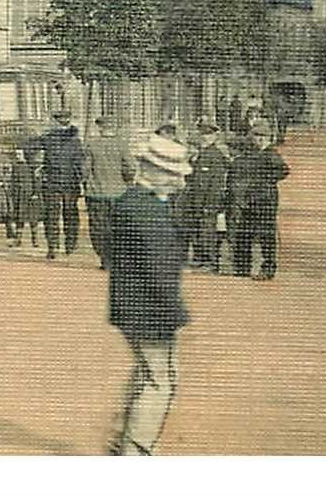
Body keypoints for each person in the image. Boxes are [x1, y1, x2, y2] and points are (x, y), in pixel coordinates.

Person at [106, 132, 194, 456]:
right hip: (150, 311)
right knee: (160, 383)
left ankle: (121, 441)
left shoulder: (131, 202)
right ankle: (136, 451)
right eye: (174, 176)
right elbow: (160, 271)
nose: (179, 184)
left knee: (145, 376)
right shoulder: (148, 211)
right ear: (154, 171)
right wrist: (176, 312)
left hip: (133, 308)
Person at [227, 121, 290, 280]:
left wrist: (265, 180)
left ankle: (268, 268)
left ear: (269, 139)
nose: (260, 140)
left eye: (264, 136)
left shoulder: (271, 154)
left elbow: (284, 171)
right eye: (257, 136)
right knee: (244, 234)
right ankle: (242, 268)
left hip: (265, 201)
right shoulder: (248, 155)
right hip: (248, 201)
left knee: (266, 235)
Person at [29, 107, 85, 260]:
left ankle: (59, 245)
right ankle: (65, 245)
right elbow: (80, 163)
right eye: (60, 123)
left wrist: (37, 165)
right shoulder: (73, 141)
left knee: (60, 214)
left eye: (61, 123)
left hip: (60, 182)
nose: (61, 126)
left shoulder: (51, 138)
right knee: (63, 214)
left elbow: (80, 163)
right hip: (62, 182)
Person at [83, 118, 134, 268]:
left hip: (96, 193)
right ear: (113, 127)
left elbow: (85, 170)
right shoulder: (121, 144)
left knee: (98, 226)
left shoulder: (91, 145)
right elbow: (131, 166)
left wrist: (86, 182)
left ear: (100, 128)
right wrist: (126, 180)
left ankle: (105, 258)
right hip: (118, 193)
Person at [184, 117, 232, 271]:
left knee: (208, 231)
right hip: (196, 199)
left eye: (208, 134)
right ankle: (200, 258)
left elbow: (217, 183)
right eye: (202, 133)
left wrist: (211, 204)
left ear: (214, 136)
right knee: (197, 229)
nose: (204, 137)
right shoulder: (199, 155)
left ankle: (211, 261)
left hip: (208, 200)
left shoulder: (215, 155)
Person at [9, 145, 45, 249]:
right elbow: (13, 181)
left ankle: (35, 240)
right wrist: (12, 194)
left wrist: (35, 193)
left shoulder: (32, 166)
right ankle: (18, 240)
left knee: (33, 219)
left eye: (19, 154)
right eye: (16, 154)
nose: (17, 156)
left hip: (30, 196)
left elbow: (37, 181)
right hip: (19, 196)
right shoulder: (15, 166)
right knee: (19, 219)